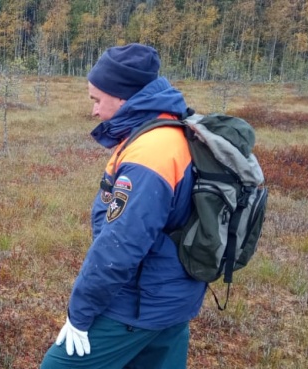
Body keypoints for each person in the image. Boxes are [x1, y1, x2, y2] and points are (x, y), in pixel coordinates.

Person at [40, 43, 207, 369]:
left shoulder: (151, 152)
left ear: (122, 97)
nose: (94, 111)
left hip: (139, 304)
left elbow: (120, 247)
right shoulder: (171, 128)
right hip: (174, 300)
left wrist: (79, 315)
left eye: (97, 100)